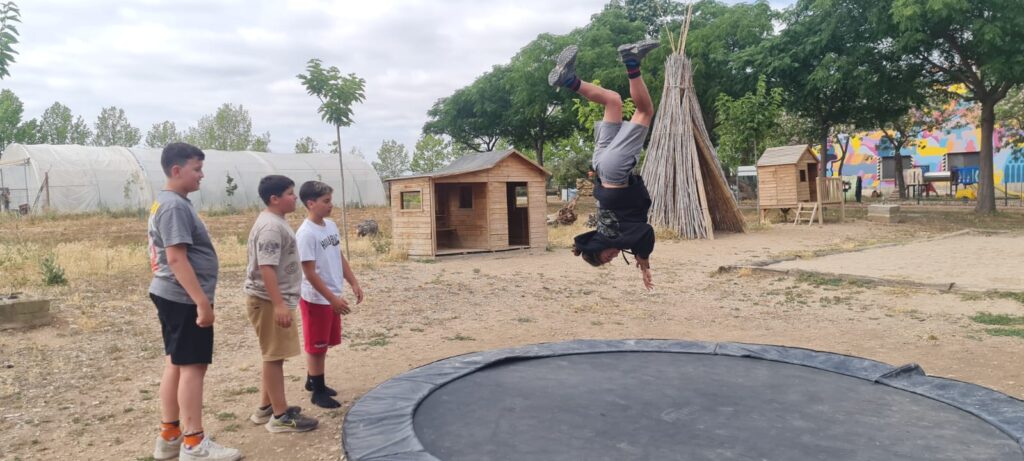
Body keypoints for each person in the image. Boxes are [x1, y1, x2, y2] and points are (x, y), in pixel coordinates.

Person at [147, 142, 241, 461]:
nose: (201, 175)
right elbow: (176, 258)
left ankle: (170, 436)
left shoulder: (168, 202)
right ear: (177, 170)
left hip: (171, 294)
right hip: (183, 297)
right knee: (193, 366)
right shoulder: (174, 206)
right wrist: (201, 302)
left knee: (175, 362)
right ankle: (194, 443)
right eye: (197, 169)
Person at [549, 40, 659, 290]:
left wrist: (644, 260)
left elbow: (646, 232)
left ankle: (631, 61)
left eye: (606, 257)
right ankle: (569, 80)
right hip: (601, 165)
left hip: (615, 171)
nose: (612, 257)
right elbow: (636, 233)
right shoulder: (604, 231)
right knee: (612, 101)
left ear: (599, 247)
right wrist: (641, 260)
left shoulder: (614, 237)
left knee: (644, 111)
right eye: (609, 260)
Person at [243, 174, 320, 433]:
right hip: (268, 300)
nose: (295, 197)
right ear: (274, 199)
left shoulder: (276, 221)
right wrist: (278, 304)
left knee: (274, 354)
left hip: (272, 299)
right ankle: (280, 416)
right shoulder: (271, 228)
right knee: (274, 357)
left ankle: (266, 406)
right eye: (289, 193)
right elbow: (266, 267)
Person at [295, 180, 365, 408]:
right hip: (317, 298)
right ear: (310, 203)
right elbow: (309, 272)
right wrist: (331, 298)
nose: (330, 205)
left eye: (330, 200)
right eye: (326, 201)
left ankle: (313, 380)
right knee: (316, 346)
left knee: (324, 343)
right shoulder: (306, 234)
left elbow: (338, 254)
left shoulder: (331, 226)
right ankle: (318, 392)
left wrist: (353, 281)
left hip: (332, 294)